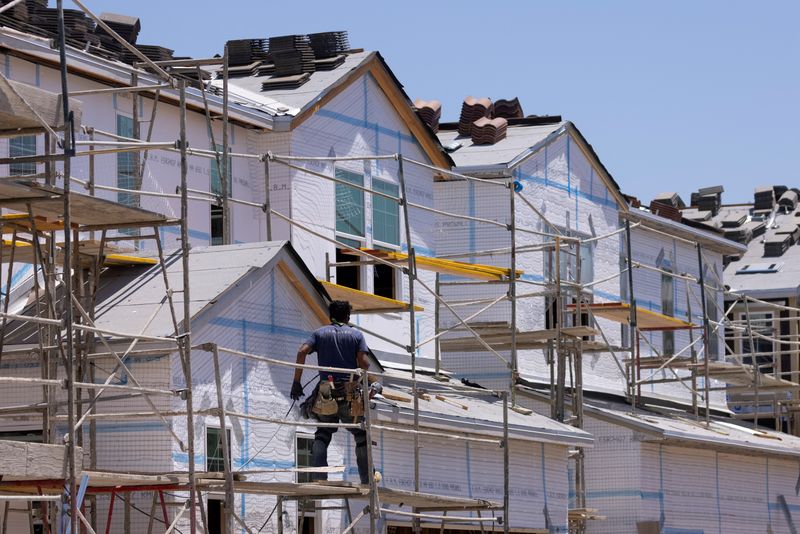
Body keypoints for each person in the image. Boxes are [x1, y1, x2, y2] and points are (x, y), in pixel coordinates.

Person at [290, 300, 381, 485]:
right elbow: (364, 364)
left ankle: (319, 478)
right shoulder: (356, 335)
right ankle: (367, 480)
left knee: (323, 433)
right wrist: (369, 381)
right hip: (350, 393)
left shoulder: (319, 333)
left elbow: (302, 352)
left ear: (330, 316)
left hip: (326, 392)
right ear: (348, 317)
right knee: (361, 435)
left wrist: (296, 383)